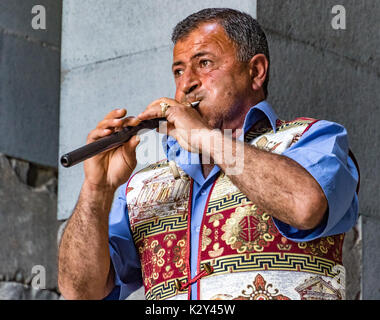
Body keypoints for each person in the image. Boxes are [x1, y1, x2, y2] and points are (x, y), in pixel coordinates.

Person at [58, 8, 359, 300]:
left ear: (255, 72)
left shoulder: (312, 139)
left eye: (204, 63)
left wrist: (204, 137)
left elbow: (305, 205)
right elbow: (79, 292)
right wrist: (97, 190)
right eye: (178, 70)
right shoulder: (141, 188)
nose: (187, 82)